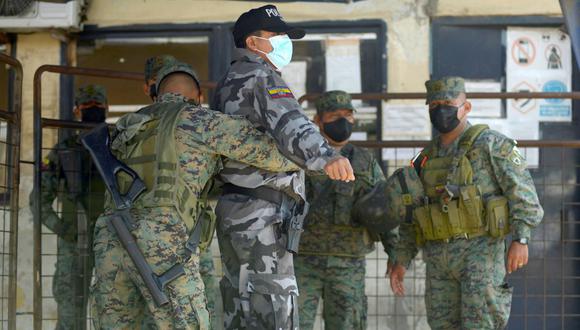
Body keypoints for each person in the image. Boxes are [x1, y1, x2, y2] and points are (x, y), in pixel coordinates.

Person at [90, 63, 344, 329]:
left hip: (111, 236)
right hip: (162, 239)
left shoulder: (127, 125)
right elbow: (267, 154)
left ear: (157, 94)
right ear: (199, 97)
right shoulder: (198, 120)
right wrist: (319, 158)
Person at [213, 4, 355, 329]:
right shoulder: (262, 77)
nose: (283, 41)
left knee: (240, 305)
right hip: (263, 213)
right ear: (252, 42)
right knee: (275, 308)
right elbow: (291, 125)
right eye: (276, 35)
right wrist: (327, 156)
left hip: (235, 210)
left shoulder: (228, 82)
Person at [390, 76, 544, 329]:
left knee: (480, 325)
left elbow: (523, 194)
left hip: (480, 254)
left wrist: (521, 239)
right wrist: (402, 259)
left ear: (466, 107)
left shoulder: (491, 144)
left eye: (448, 102)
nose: (441, 109)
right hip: (438, 258)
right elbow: (414, 213)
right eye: (434, 104)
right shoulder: (425, 158)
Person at [294, 91, 399, 330]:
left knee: (347, 324)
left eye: (348, 115)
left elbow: (385, 209)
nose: (343, 121)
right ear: (318, 120)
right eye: (334, 115)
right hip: (302, 260)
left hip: (348, 263)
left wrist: (396, 254)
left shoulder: (364, 161)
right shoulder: (301, 156)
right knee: (294, 323)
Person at [143, 56, 220, 327]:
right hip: (149, 237)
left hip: (194, 235)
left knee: (204, 304)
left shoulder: (200, 125)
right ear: (151, 89)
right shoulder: (137, 127)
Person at [32, 84, 108, 329]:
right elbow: (38, 200)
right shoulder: (65, 151)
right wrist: (67, 231)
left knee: (114, 315)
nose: (92, 110)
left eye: (96, 106)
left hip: (112, 244)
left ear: (107, 108)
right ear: (77, 110)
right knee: (71, 317)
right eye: (88, 106)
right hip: (81, 244)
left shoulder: (120, 148)